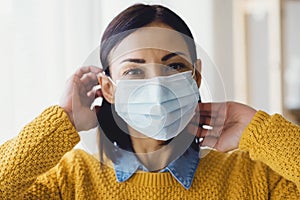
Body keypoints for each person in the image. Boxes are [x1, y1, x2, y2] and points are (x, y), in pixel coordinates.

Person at [0, 4, 299, 199]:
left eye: (174, 66)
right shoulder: (72, 180)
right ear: (108, 87)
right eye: (134, 70)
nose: (156, 87)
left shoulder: (253, 178)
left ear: (196, 76)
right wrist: (62, 120)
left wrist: (258, 131)